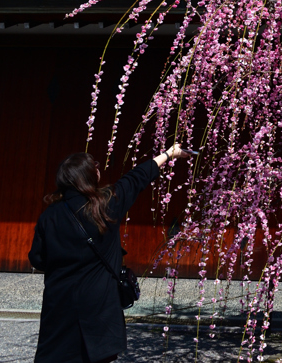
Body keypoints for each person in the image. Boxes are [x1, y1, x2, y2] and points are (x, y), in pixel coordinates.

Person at [29, 145, 191, 363]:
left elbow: (37, 259)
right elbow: (137, 178)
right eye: (94, 166)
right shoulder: (105, 205)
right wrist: (170, 153)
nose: (98, 168)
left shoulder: (49, 216)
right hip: (99, 305)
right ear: (87, 176)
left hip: (60, 304)